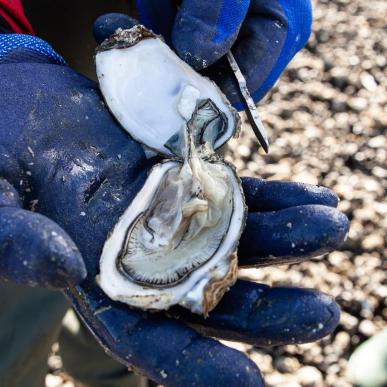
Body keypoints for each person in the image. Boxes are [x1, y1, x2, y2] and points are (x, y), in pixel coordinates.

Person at [0, 1, 349, 386]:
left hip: (182, 69)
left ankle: (113, 375)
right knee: (28, 265)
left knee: (189, 156)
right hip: (27, 92)